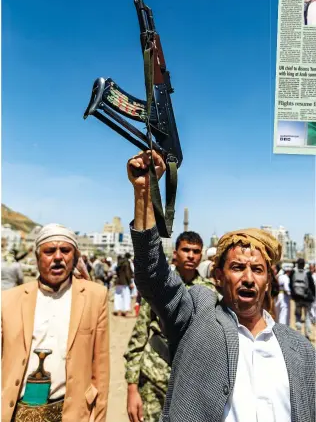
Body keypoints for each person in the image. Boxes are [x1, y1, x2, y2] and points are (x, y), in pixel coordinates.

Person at [127, 150, 315, 422]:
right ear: (217, 275)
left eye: (258, 270)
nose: (248, 278)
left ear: (268, 280)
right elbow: (152, 276)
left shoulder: (300, 349)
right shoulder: (197, 317)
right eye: (238, 267)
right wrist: (144, 195)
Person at [1, 223, 109, 422]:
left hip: (71, 412)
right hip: (17, 411)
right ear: (37, 258)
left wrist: (98, 416)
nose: (58, 257)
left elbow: (101, 367)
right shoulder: (9, 300)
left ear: (74, 257)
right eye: (50, 251)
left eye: (65, 250)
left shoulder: (94, 297)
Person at [124, 231, 215, 422]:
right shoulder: (160, 288)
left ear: (201, 255)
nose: (190, 255)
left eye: (196, 251)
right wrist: (132, 388)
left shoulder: (210, 292)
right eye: (186, 250)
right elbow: (139, 337)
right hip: (154, 376)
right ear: (175, 253)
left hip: (190, 383)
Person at [290, 257, 315, 339]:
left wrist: (293, 295)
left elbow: (291, 285)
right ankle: (307, 335)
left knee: (298, 316)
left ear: (297, 264)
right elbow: (312, 285)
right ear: (304, 264)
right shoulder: (307, 273)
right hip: (307, 298)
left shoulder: (293, 272)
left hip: (297, 299)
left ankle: (298, 334)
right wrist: (314, 295)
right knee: (307, 316)